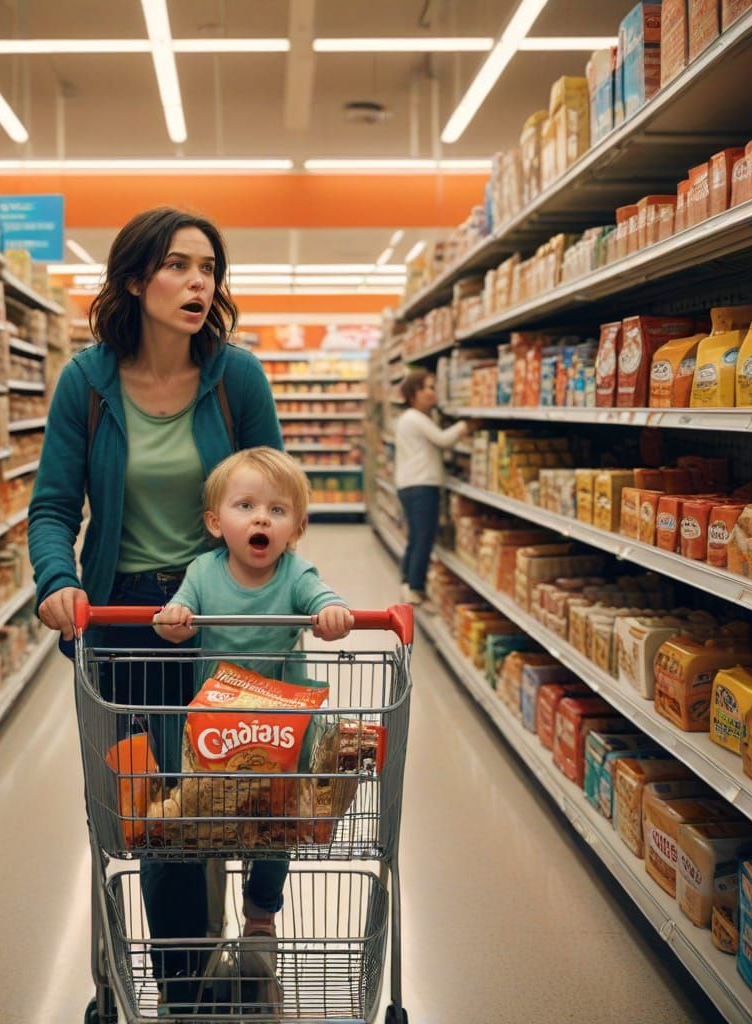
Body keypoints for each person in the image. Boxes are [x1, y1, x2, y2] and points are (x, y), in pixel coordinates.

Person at [28, 207, 283, 1012]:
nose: (198, 282)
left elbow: (276, 495)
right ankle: (181, 990)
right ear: (135, 280)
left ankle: (256, 923)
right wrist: (53, 581)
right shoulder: (87, 383)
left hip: (224, 608)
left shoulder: (236, 377)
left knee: (244, 789)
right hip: (128, 621)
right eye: (177, 265)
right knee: (157, 814)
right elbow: (52, 508)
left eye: (208, 267)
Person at [153, 446, 353, 1009]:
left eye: (278, 509)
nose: (262, 518)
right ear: (217, 523)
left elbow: (322, 597)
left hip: (284, 740)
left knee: (277, 825)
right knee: (204, 815)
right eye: (245, 506)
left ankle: (261, 913)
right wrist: (173, 620)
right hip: (216, 740)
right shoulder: (200, 573)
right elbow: (176, 617)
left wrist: (332, 611)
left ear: (297, 528)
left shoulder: (295, 573)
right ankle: (205, 917)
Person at [394, 367, 469, 605]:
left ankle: (407, 582)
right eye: (429, 387)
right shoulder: (415, 418)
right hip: (421, 485)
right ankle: (415, 587)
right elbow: (443, 440)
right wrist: (469, 425)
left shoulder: (408, 418)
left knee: (416, 537)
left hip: (410, 484)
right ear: (415, 392)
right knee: (424, 537)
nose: (433, 392)